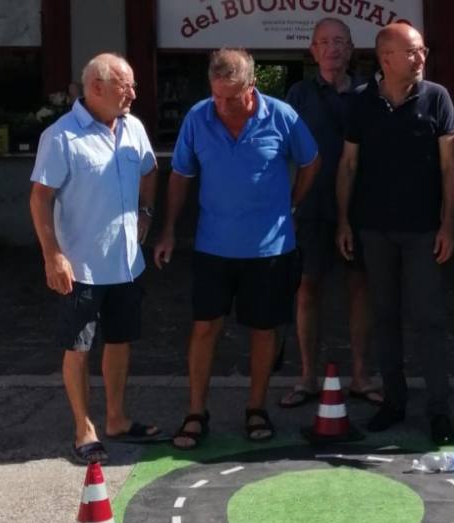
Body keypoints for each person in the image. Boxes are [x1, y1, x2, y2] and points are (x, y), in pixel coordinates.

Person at [154, 48, 320, 450]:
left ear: (252, 86)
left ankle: (256, 408)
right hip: (214, 247)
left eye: (232, 96)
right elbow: (180, 174)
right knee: (205, 326)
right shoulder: (198, 117)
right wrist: (169, 229)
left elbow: (311, 162)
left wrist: (291, 204)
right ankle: (196, 411)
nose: (223, 105)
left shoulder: (282, 116)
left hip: (270, 250)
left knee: (264, 331)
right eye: (217, 96)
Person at [30, 53, 162, 465]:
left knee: (120, 342)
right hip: (81, 266)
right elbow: (40, 198)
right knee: (79, 347)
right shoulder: (62, 136)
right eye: (127, 86)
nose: (134, 95)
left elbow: (150, 170)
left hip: (126, 262)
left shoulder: (134, 127)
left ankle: (118, 419)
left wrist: (145, 213)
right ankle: (83, 426)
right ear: (97, 88)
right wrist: (52, 255)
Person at [337, 21, 454, 445]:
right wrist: (343, 220)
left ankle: (439, 410)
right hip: (374, 230)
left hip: (424, 230)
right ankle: (394, 401)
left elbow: (449, 167)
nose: (422, 56)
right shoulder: (361, 103)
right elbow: (348, 165)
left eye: (422, 49)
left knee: (429, 320)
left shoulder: (437, 98)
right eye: (414, 51)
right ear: (387, 58)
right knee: (384, 319)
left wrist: (449, 222)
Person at [280, 17, 382, 410]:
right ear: (313, 50)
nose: (332, 49)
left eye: (339, 41)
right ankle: (307, 376)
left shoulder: (370, 92)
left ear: (351, 48)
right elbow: (281, 151)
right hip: (311, 207)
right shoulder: (299, 95)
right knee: (307, 290)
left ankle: (360, 375)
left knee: (361, 290)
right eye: (324, 42)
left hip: (361, 206)